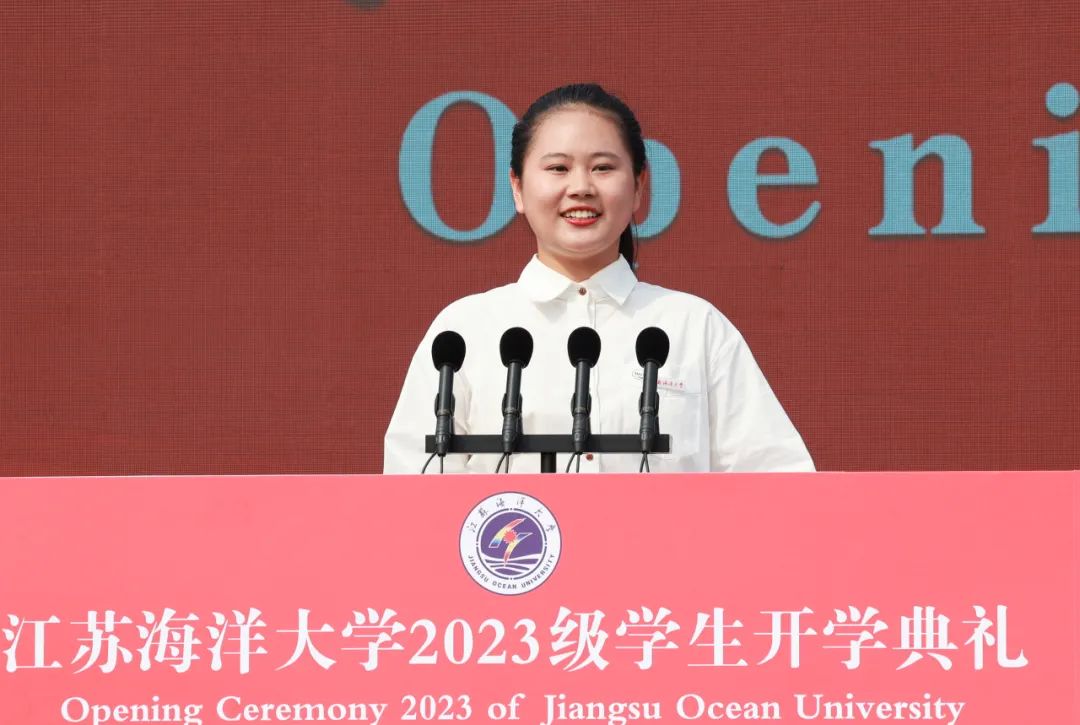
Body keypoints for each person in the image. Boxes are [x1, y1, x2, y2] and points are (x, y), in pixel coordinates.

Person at [384, 83, 813, 474]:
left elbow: (780, 483)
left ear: (639, 186)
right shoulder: (465, 331)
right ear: (517, 187)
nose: (581, 187)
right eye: (558, 168)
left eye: (603, 168)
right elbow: (410, 494)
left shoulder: (693, 328)